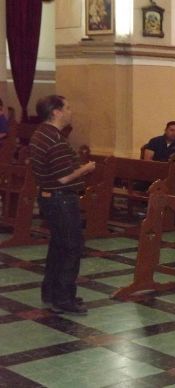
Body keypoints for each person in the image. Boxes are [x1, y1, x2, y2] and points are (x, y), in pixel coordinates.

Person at [29, 95, 96, 315]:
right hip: (61, 198)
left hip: (50, 197)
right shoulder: (54, 139)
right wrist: (85, 169)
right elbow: (63, 178)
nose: (71, 111)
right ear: (56, 112)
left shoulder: (42, 133)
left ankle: (51, 293)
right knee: (70, 248)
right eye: (67, 107)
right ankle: (63, 299)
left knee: (58, 246)